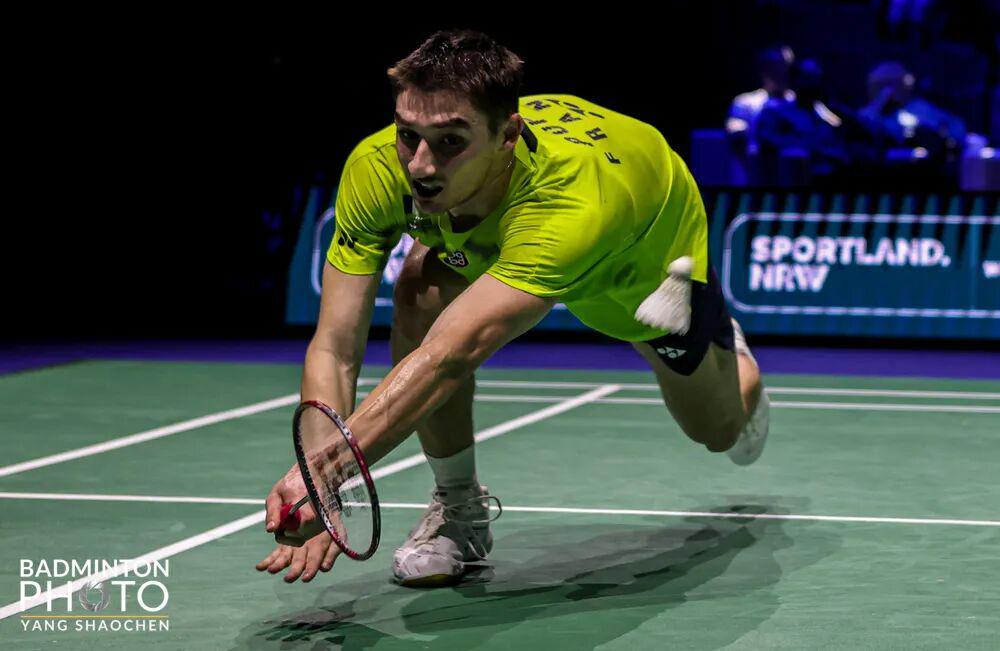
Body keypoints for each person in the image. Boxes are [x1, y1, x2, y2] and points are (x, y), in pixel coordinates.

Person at [255, 30, 770, 587]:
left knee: (718, 432)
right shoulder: (377, 168)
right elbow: (335, 347)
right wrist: (320, 484)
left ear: (507, 135)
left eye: (450, 141)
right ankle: (458, 508)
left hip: (640, 265)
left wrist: (328, 474)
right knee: (421, 288)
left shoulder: (571, 200)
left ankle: (732, 354)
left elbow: (450, 356)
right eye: (408, 135)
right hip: (497, 226)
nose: (420, 165)